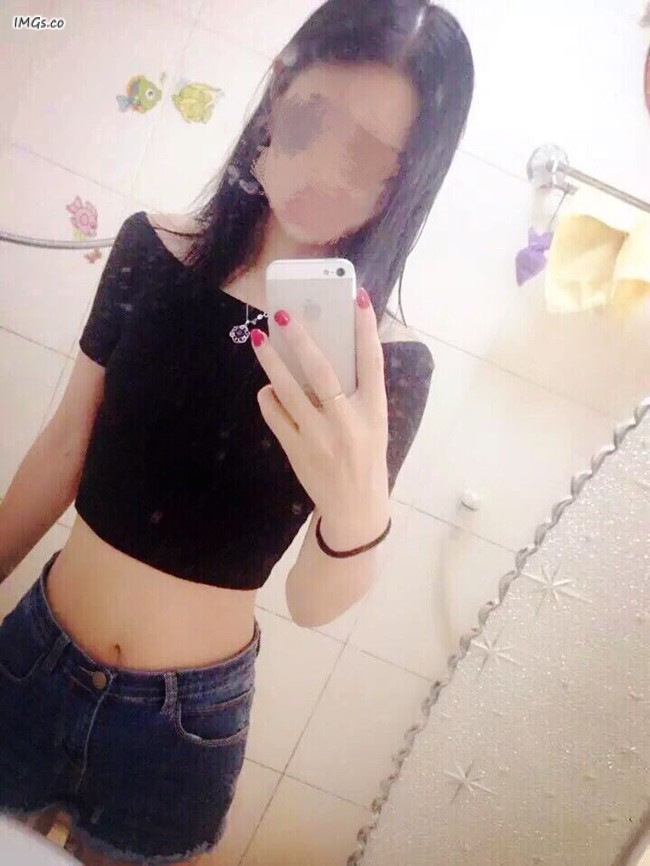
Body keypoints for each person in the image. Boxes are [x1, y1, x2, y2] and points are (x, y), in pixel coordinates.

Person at [0, 1, 474, 863]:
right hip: (34, 660)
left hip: (183, 729)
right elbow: (64, 445)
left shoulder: (387, 364)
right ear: (275, 101)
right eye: (311, 119)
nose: (322, 168)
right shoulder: (152, 249)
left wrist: (358, 515)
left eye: (367, 156)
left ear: (408, 179)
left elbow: (311, 603)